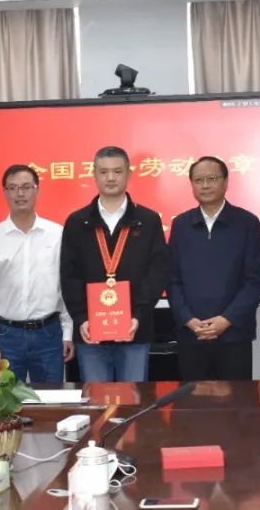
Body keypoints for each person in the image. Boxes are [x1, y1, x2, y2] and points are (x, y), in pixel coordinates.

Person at [60, 146, 169, 382]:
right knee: (98, 399)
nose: (110, 178)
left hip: (134, 330)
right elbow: (69, 276)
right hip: (90, 333)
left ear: (128, 174)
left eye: (118, 171)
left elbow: (157, 273)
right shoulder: (77, 222)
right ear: (94, 174)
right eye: (104, 172)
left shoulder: (148, 220)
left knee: (133, 399)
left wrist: (138, 316)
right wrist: (82, 318)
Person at [168, 156, 260, 381]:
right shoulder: (181, 224)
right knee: (192, 400)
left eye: (212, 179)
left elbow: (255, 280)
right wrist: (188, 319)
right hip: (192, 335)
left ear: (226, 182)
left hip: (234, 334)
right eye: (198, 180)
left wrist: (226, 319)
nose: (205, 185)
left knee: (236, 401)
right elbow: (172, 279)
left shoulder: (247, 223)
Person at [0, 165, 74, 382]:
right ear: (5, 193)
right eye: (13, 188)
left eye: (26, 187)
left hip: (49, 334)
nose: (20, 193)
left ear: (37, 190)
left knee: (51, 398)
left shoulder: (57, 234)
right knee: (6, 399)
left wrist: (67, 333)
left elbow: (65, 288)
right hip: (7, 335)